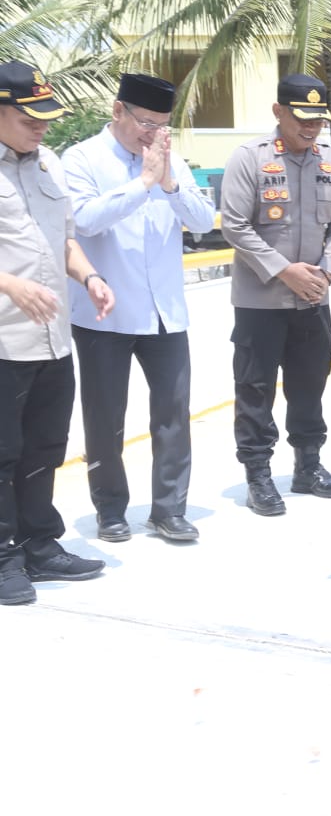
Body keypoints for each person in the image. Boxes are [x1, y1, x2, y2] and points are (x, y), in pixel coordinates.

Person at [62, 72, 216, 543]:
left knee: (173, 414)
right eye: (145, 122)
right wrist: (142, 184)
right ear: (118, 110)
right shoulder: (82, 158)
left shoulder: (170, 162)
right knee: (105, 418)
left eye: (162, 125)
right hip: (104, 314)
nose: (153, 134)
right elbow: (83, 221)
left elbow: (204, 221)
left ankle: (169, 509)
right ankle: (110, 510)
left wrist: (167, 182)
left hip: (166, 312)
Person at [0, 60, 116, 605]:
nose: (42, 126)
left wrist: (89, 276)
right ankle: (3, 558)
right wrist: (10, 286)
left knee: (45, 446)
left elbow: (64, 238)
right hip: (5, 340)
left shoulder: (47, 163)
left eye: (46, 117)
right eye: (30, 118)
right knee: (3, 451)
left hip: (52, 337)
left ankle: (40, 546)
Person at [220, 73, 331, 516]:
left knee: (310, 384)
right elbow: (234, 225)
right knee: (255, 389)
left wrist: (327, 273)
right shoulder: (250, 159)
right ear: (279, 112)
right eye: (302, 118)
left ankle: (308, 466)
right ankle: (258, 475)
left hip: (314, 299)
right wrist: (285, 271)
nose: (311, 127)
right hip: (261, 303)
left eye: (318, 119)